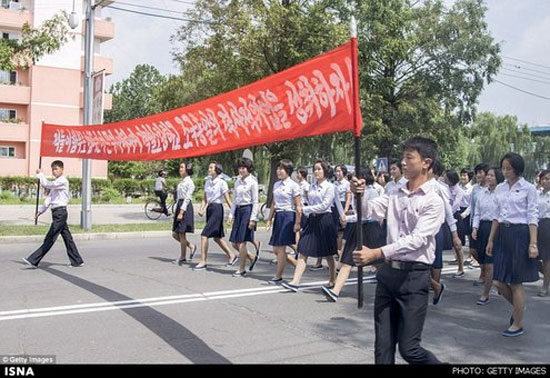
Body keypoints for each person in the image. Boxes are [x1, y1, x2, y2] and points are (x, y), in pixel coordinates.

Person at [351, 136, 444, 364]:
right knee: (382, 349)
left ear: (426, 163)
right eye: (403, 157)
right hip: (388, 275)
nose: (403, 162)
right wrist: (358, 194)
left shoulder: (434, 200)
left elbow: (417, 240)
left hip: (414, 278)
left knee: (409, 349)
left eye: (409, 158)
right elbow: (369, 212)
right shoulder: (394, 192)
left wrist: (377, 253)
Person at [486, 152, 539, 337]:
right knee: (497, 281)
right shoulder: (500, 188)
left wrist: (533, 243)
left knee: (516, 282)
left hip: (520, 234)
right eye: (503, 168)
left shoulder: (529, 188)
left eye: (509, 168)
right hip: (502, 234)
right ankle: (519, 306)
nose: (505, 171)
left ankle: (517, 323)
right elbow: (496, 216)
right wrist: (491, 239)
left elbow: (532, 216)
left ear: (517, 169)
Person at [322, 168, 383, 302]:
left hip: (371, 228)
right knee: (347, 261)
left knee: (380, 263)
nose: (353, 179)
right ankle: (335, 291)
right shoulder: (355, 193)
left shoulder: (372, 191)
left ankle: (393, 288)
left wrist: (348, 218)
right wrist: (349, 217)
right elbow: (359, 214)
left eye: (356, 177)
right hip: (358, 227)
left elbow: (367, 214)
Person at [282, 160, 342, 292]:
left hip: (325, 220)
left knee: (329, 253)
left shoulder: (330, 187)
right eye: (315, 169)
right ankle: (295, 281)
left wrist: (306, 210)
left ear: (325, 171)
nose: (316, 171)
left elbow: (325, 205)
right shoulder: (312, 186)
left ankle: (333, 279)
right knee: (303, 248)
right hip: (312, 220)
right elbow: (309, 201)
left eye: (319, 169)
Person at [22, 161, 84, 269]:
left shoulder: (62, 181)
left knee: (50, 237)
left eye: (56, 169)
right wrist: (40, 211)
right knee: (67, 238)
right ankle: (77, 260)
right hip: (57, 213)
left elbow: (47, 184)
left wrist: (40, 174)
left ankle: (34, 260)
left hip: (60, 213)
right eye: (53, 169)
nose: (54, 171)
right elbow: (49, 198)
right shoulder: (56, 184)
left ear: (62, 169)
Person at [195, 161, 238, 271]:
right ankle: (232, 256)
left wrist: (233, 213)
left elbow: (228, 199)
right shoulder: (207, 182)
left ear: (217, 170)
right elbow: (205, 198)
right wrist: (201, 209)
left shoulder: (222, 182)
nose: (209, 169)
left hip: (217, 209)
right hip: (210, 209)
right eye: (209, 167)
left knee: (204, 235)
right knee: (217, 238)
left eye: (211, 168)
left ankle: (203, 261)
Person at [471, 167, 504, 304]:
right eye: (488, 175)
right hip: (483, 227)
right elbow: (477, 212)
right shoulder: (482, 193)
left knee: (490, 263)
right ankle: (496, 282)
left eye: (492, 175)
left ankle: (485, 293)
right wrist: (475, 228)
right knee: (481, 259)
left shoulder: (501, 194)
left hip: (496, 228)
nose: (489, 177)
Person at [266, 159, 302, 285]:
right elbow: (273, 203)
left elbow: (298, 206)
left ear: (288, 171)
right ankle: (298, 265)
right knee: (276, 249)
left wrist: (297, 223)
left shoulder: (293, 185)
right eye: (278, 168)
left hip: (288, 215)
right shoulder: (276, 185)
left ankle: (278, 276)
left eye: (281, 169)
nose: (279, 171)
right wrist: (269, 219)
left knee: (281, 249)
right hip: (279, 216)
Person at [228, 157, 261, 277]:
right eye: (240, 168)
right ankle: (251, 257)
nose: (241, 170)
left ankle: (241, 268)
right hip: (238, 211)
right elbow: (234, 200)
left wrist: (253, 218)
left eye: (243, 168)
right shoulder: (237, 181)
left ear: (248, 169)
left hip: (248, 210)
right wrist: (231, 215)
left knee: (242, 242)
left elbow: (255, 201)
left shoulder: (253, 182)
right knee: (234, 242)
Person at [462, 163, 490, 283]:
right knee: (473, 250)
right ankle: (483, 268)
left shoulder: (491, 188)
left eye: (481, 172)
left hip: (487, 222)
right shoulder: (475, 188)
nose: (478, 175)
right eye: (477, 172)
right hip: (474, 221)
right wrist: (469, 217)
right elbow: (472, 206)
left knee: (485, 250)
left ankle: (485, 273)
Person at [172, 162, 197, 265]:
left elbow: (187, 198)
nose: (180, 169)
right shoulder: (181, 182)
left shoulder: (189, 182)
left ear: (187, 169)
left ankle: (182, 257)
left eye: (182, 167)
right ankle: (191, 246)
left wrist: (182, 212)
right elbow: (179, 197)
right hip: (179, 205)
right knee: (175, 233)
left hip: (185, 207)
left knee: (182, 233)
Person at [444, 169, 466, 277]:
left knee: (458, 244)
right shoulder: (444, 188)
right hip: (446, 216)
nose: (444, 179)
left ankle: (461, 267)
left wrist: (447, 213)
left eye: (446, 178)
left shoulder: (459, 190)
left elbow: (456, 205)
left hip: (455, 216)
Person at [536, 170, 550, 297]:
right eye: (543, 179)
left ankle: (545, 285)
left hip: (548, 225)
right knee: (534, 257)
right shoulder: (538, 194)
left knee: (546, 258)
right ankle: (547, 276)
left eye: (548, 178)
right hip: (537, 225)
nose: (545, 181)